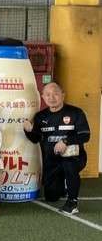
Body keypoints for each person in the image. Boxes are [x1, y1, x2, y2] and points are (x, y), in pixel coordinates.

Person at [22, 82, 91, 214]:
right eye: (47, 95)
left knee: (69, 165)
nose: (51, 97)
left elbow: (85, 135)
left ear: (63, 95)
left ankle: (72, 202)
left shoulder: (76, 112)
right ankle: (63, 183)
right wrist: (28, 131)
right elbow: (35, 139)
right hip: (52, 161)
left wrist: (65, 141)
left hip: (74, 157)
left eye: (55, 94)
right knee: (51, 196)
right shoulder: (40, 116)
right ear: (43, 97)